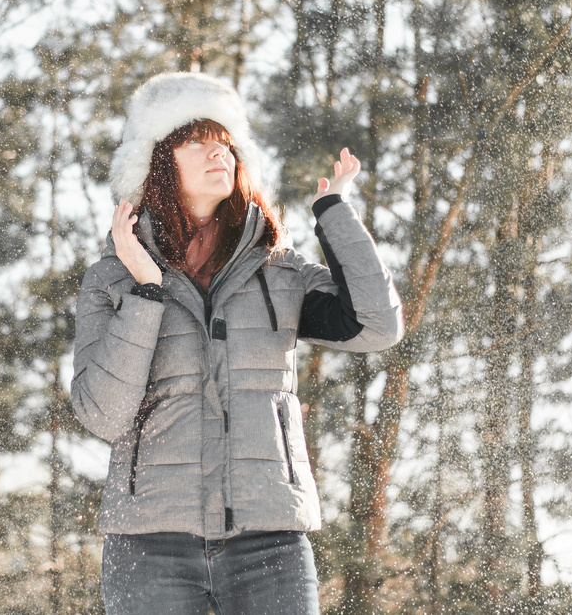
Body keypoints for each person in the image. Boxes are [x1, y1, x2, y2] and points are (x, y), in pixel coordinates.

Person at [71, 72, 404, 615]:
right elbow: (102, 415)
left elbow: (378, 325)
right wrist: (147, 294)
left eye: (225, 142)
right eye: (196, 140)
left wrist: (334, 214)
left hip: (269, 539)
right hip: (150, 544)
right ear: (158, 162)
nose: (217, 152)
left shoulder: (278, 272)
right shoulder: (111, 280)